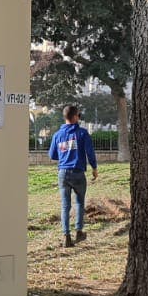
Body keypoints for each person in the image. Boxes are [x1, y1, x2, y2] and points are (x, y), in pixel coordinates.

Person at [49, 104, 97, 248]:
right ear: (75, 117)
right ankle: (79, 231)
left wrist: (65, 153)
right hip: (78, 172)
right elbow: (90, 152)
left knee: (65, 206)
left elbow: (52, 155)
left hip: (63, 173)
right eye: (79, 116)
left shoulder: (57, 135)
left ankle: (66, 236)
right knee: (80, 203)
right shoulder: (82, 133)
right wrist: (94, 168)